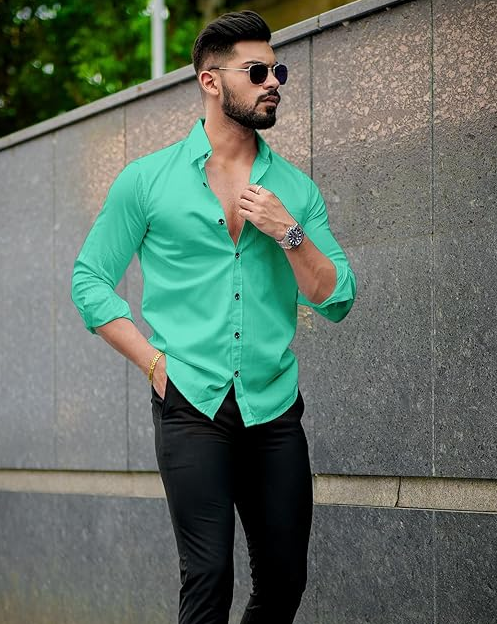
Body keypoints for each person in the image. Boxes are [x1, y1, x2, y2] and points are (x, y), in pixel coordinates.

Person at [71, 10, 356, 624]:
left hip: (272, 406)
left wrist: (288, 232)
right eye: (256, 72)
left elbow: (337, 298)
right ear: (210, 80)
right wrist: (153, 362)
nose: (273, 82)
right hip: (190, 399)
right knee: (208, 577)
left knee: (284, 580)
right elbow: (89, 279)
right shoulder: (147, 180)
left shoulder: (295, 190)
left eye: (277, 71)